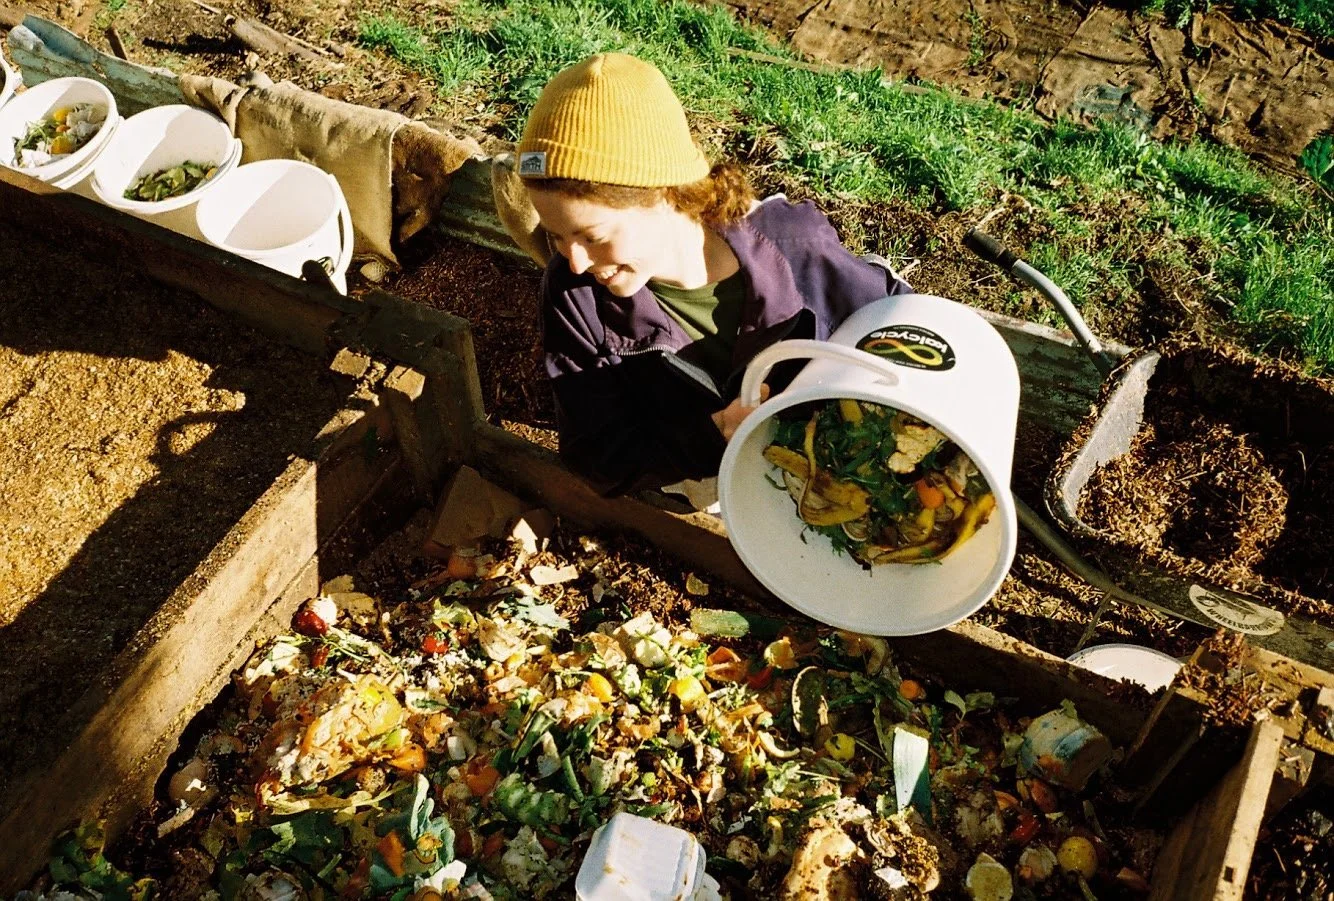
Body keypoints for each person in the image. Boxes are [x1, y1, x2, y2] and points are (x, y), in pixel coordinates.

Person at [517, 52, 912, 497]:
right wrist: (712, 434)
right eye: (554, 236)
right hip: (701, 486)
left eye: (593, 236)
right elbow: (596, 455)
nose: (577, 262)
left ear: (665, 194)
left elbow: (908, 331)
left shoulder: (798, 252)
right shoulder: (575, 295)